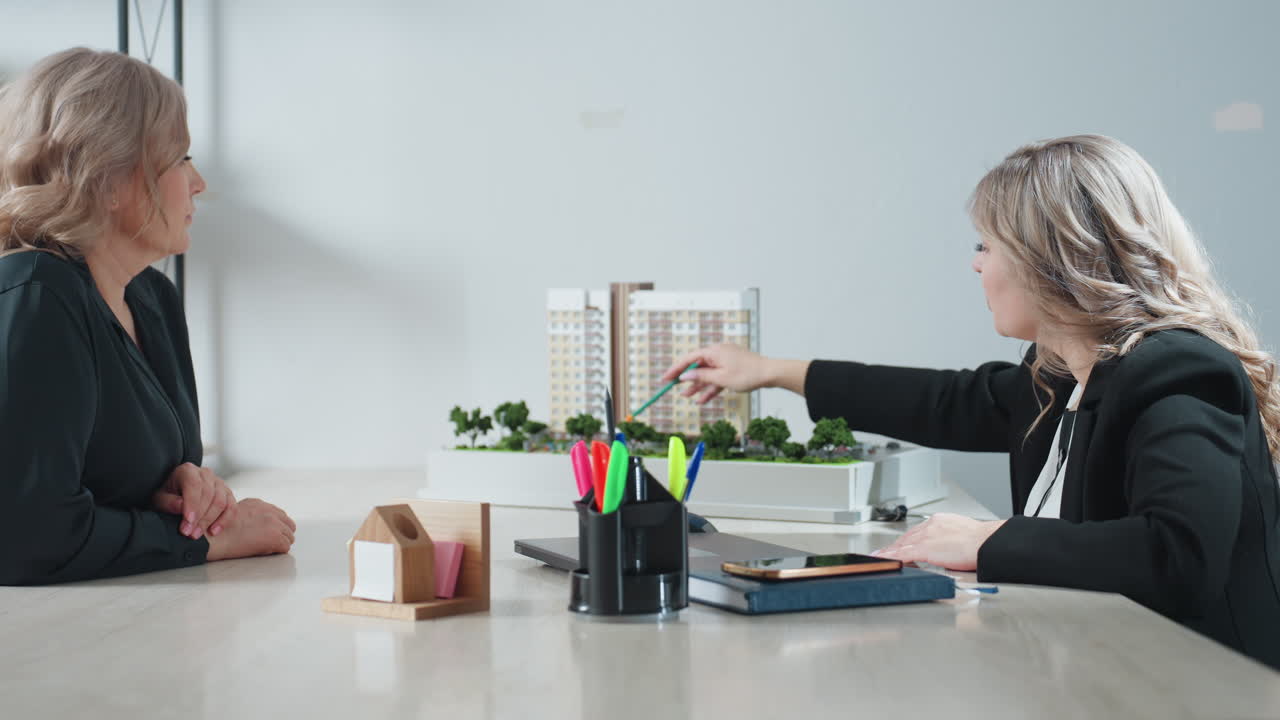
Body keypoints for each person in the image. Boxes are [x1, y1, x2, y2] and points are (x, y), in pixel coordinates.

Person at [663, 135, 1280, 669]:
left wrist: (987, 541)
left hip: (1193, 688)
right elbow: (945, 401)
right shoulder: (1063, 375)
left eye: (986, 246)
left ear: (1050, 260)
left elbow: (1179, 555)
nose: (975, 266)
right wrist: (770, 371)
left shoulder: (1177, 370)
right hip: (1097, 667)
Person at [0, 48, 295, 585]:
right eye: (180, 158)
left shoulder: (151, 298)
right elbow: (23, 538)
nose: (198, 182)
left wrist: (187, 489)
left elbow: (114, 483)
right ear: (108, 179)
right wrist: (207, 540)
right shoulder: (37, 296)